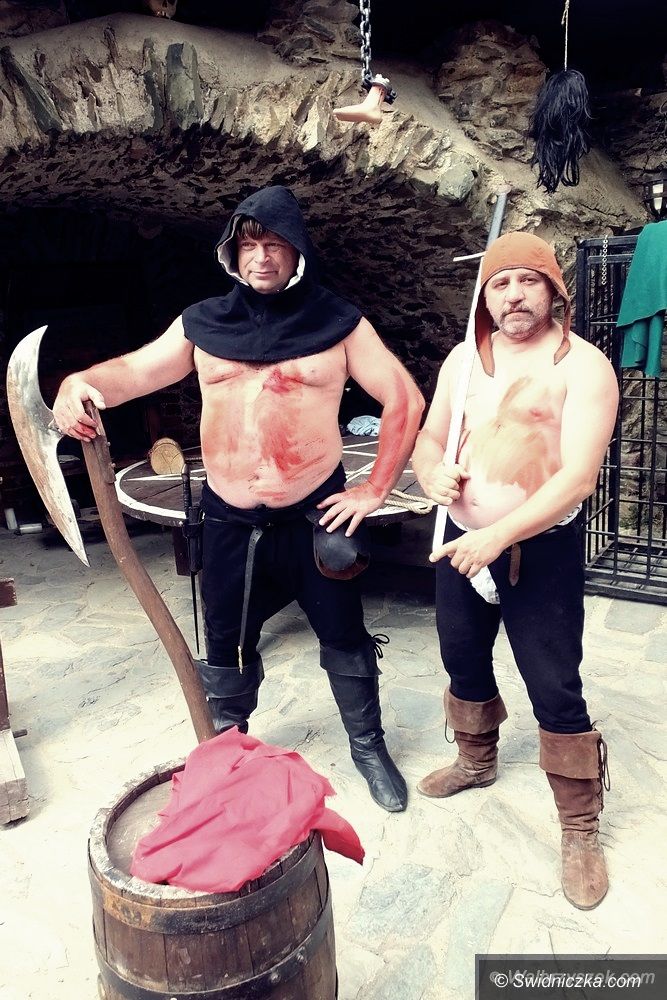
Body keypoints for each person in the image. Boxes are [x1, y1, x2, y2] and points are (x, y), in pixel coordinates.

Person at [53, 185, 424, 813]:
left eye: (275, 244)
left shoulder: (338, 322)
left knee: (344, 638)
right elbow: (136, 372)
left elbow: (404, 399)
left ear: (297, 251)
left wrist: (375, 487)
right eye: (249, 245)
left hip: (315, 515)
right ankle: (228, 752)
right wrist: (78, 382)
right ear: (231, 253)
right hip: (227, 519)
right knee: (225, 643)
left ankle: (368, 745)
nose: (262, 257)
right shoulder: (203, 323)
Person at [411, 232, 618, 908]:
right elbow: (429, 439)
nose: (513, 295)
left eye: (528, 281)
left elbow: (578, 478)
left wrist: (497, 535)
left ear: (554, 291)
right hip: (460, 541)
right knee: (461, 655)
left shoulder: (582, 367)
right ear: (485, 297)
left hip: (538, 548)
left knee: (553, 681)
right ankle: (476, 760)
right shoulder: (463, 361)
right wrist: (429, 473)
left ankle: (579, 825)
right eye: (499, 284)